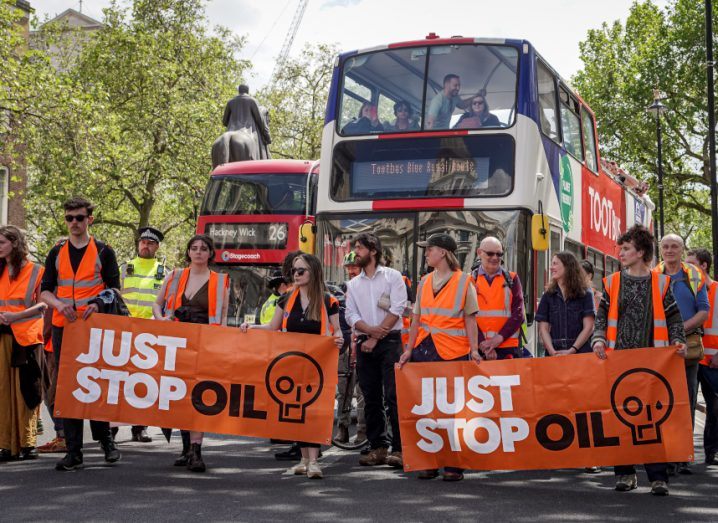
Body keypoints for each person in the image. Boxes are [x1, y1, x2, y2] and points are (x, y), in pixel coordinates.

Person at [592, 225, 687, 496]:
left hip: (652, 363)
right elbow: (601, 316)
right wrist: (598, 339)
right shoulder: (612, 282)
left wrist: (678, 342)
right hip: (618, 360)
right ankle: (624, 474)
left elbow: (673, 318)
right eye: (621, 249)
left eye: (626, 249)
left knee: (651, 419)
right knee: (620, 418)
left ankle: (658, 477)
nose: (621, 253)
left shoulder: (660, 282)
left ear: (641, 252)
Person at [240, 253, 343, 479]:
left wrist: (338, 339)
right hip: (292, 364)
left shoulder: (329, 301)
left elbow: (337, 331)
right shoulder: (285, 299)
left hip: (318, 365)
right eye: (294, 271)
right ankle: (304, 459)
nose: (295, 275)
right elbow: (272, 327)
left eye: (301, 271)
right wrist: (250, 327)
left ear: (313, 272)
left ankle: (314, 461)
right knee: (297, 412)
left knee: (314, 411)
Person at [40, 197, 122, 471]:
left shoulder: (103, 251)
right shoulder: (56, 251)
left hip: (94, 326)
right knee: (69, 389)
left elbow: (115, 289)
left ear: (90, 219)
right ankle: (74, 452)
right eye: (69, 218)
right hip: (65, 328)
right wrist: (59, 305)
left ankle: (106, 441)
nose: (73, 223)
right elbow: (45, 291)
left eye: (78, 217)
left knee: (95, 384)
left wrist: (97, 304)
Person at [398, 234, 480, 481]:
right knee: (428, 408)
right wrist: (409, 349)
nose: (426, 253)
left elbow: (470, 319)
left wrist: (474, 349)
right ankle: (430, 461)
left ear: (443, 253)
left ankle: (454, 463)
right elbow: (416, 320)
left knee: (453, 410)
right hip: (425, 349)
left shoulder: (465, 281)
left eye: (429, 249)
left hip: (453, 351)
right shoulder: (424, 282)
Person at [153, 234, 229, 473]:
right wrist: (161, 319)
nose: (198, 252)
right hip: (175, 341)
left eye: (203, 248)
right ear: (188, 252)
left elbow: (223, 317)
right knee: (178, 394)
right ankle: (185, 447)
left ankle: (196, 451)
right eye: (194, 248)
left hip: (204, 343)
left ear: (210, 254)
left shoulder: (220, 281)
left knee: (198, 395)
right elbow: (157, 304)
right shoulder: (174, 276)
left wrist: (220, 345)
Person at [345, 233, 407, 468]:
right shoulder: (352, 284)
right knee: (370, 398)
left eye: (359, 248)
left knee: (393, 396)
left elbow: (398, 307)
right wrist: (370, 334)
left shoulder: (392, 277)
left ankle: (400, 448)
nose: (355, 252)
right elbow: (350, 314)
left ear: (373, 250)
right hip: (365, 343)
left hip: (390, 342)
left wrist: (376, 335)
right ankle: (377, 446)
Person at [655, 234, 709, 475]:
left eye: (674, 246)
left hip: (687, 349)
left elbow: (703, 312)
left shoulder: (693, 275)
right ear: (660, 250)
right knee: (661, 400)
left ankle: (683, 454)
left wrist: (679, 329)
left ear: (682, 249)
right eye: (665, 246)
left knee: (686, 399)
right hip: (659, 349)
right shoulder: (653, 274)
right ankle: (664, 451)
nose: (669, 250)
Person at [0, 226, 46, 461]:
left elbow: (43, 304)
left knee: (26, 390)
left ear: (15, 244)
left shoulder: (37, 271)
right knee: (3, 391)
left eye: (2, 243)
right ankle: (6, 444)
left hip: (27, 337)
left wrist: (15, 317)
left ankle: (28, 443)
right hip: (2, 336)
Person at [118, 226, 167, 443]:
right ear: (138, 244)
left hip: (150, 334)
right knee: (119, 381)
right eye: (143, 242)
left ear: (157, 246)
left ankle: (140, 427)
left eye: (150, 243)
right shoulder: (124, 268)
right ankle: (112, 428)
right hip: (124, 330)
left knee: (143, 382)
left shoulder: (165, 272)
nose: (145, 245)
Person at [685, 248, 718, 466]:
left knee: (715, 407)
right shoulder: (687, 289)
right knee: (685, 405)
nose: (685, 267)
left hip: (712, 359)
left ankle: (711, 451)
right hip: (689, 357)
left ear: (703, 266)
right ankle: (683, 456)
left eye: (691, 263)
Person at [471, 237, 525, 360]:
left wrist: (497, 339)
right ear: (479, 253)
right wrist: (482, 345)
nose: (495, 257)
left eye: (499, 254)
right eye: (490, 253)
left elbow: (519, 314)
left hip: (507, 348)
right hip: (478, 349)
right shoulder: (470, 281)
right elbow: (466, 316)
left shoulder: (512, 279)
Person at [537, 252, 595, 356]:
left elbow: (589, 327)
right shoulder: (548, 295)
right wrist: (552, 352)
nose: (551, 267)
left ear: (568, 266)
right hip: (554, 353)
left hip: (580, 354)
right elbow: (543, 328)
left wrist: (572, 350)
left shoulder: (585, 293)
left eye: (555, 264)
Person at [335, 251, 366, 444]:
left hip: (361, 343)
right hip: (345, 347)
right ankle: (342, 428)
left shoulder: (366, 288)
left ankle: (362, 431)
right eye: (348, 268)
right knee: (343, 391)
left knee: (362, 392)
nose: (351, 271)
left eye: (354, 267)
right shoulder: (343, 290)